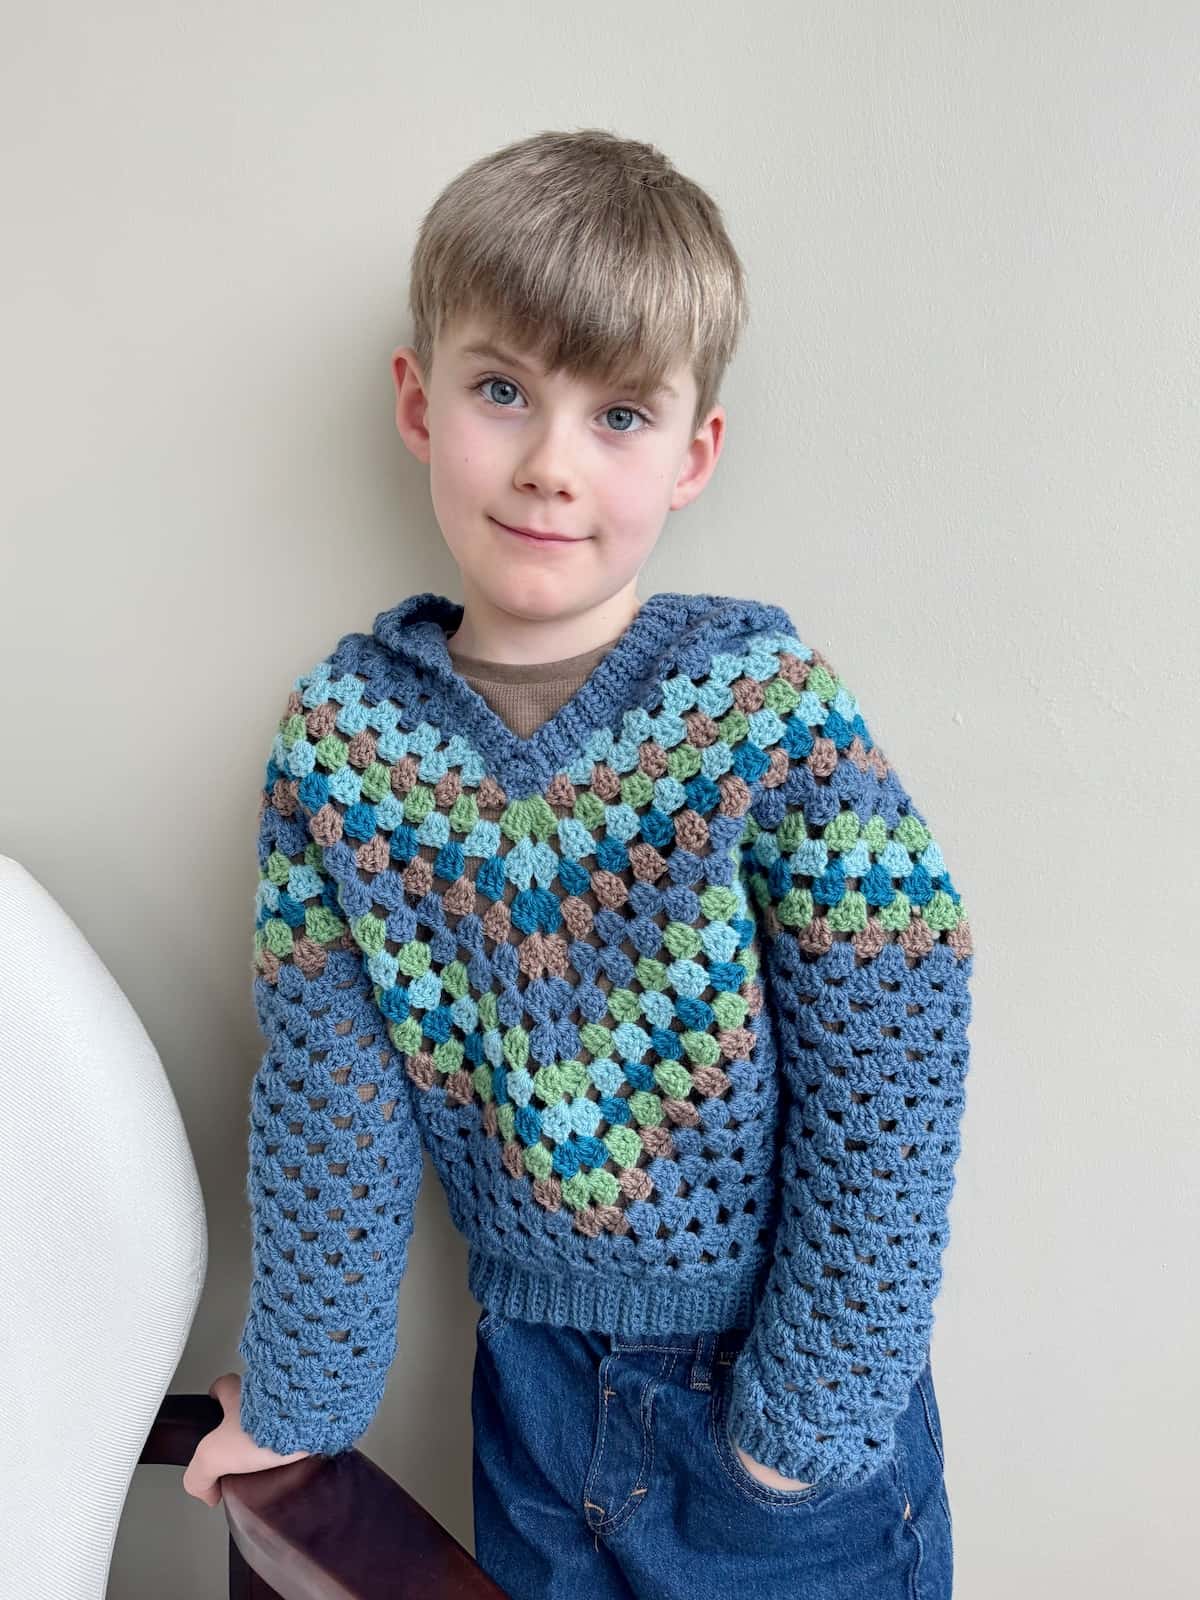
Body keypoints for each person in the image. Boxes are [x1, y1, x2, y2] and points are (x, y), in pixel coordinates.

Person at [183, 127, 971, 1600]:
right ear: (419, 403)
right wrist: (293, 1403)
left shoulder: (756, 705)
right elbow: (327, 1112)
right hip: (536, 1403)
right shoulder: (347, 751)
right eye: (503, 392)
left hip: (779, 1407)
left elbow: (895, 1040)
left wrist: (809, 1419)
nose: (551, 466)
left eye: (618, 416)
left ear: (694, 456)